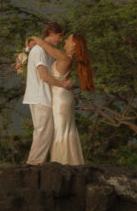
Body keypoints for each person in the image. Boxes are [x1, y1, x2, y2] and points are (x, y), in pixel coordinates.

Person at [28, 32, 95, 165]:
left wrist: (34, 39)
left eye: (68, 40)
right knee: (63, 129)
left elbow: (45, 46)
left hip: (60, 99)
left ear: (74, 44)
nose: (64, 41)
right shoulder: (65, 58)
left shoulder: (64, 57)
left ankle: (63, 162)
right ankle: (66, 161)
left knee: (60, 130)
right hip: (61, 96)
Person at [23, 22, 71, 165]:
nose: (61, 40)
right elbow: (44, 76)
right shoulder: (39, 51)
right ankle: (34, 163)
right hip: (39, 96)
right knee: (43, 130)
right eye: (59, 36)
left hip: (44, 96)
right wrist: (63, 84)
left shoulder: (46, 51)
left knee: (44, 130)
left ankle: (35, 162)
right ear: (51, 33)